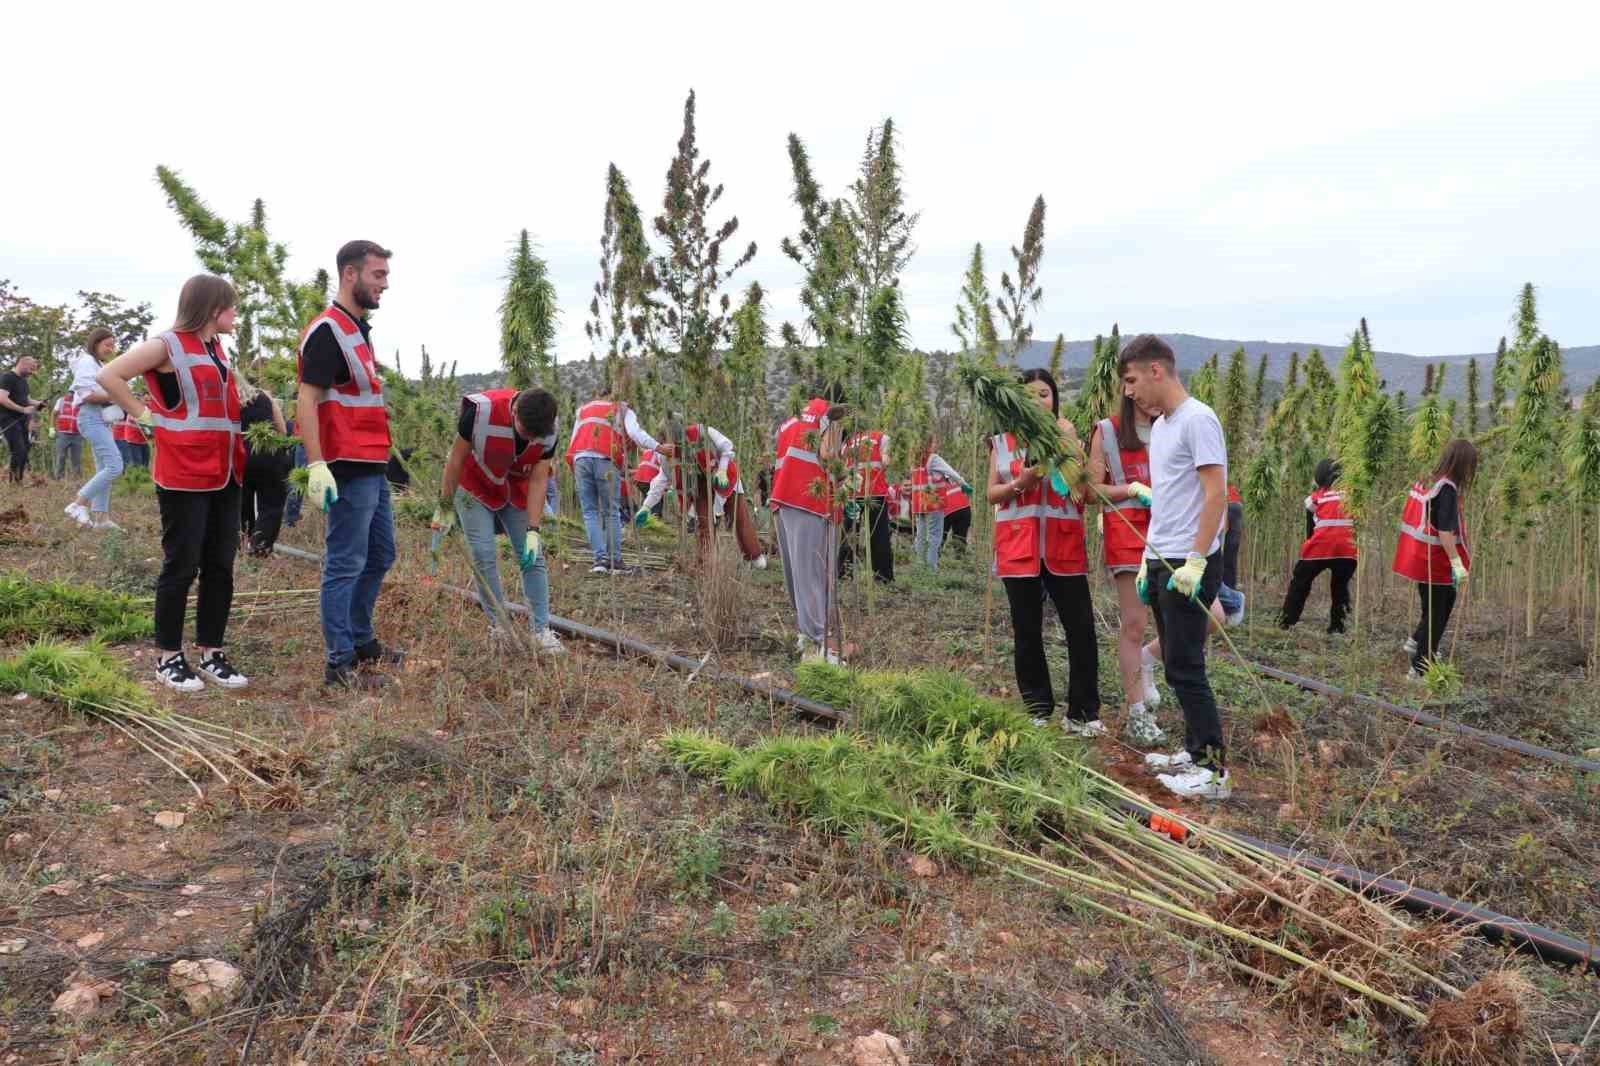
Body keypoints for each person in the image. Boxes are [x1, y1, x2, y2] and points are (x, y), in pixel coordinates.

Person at [96, 275, 250, 692]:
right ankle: (168, 657)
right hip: (184, 471)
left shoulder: (217, 349)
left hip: (225, 470)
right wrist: (142, 414)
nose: (235, 312)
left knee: (220, 564)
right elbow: (110, 375)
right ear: (211, 306)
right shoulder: (167, 344)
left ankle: (212, 653)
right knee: (181, 564)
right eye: (230, 305)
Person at [1121, 335, 1231, 800]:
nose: (1129, 392)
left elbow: (1216, 495)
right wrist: (1149, 563)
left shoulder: (1198, 420)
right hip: (1162, 557)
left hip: (1190, 561)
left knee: (1186, 666)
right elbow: (1170, 496)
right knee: (1175, 659)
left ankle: (1213, 771)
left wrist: (1197, 559)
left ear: (1156, 371)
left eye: (1131, 380)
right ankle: (1192, 749)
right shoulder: (1162, 426)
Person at [297, 240, 403, 690]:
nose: (384, 285)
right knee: (345, 561)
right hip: (345, 463)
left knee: (380, 554)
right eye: (377, 275)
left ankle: (361, 641)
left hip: (371, 462)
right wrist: (316, 463)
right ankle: (339, 661)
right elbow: (308, 398)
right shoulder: (328, 331)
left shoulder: (357, 329)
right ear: (350, 274)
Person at [987, 368, 1101, 734]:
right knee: (1027, 629)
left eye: (1045, 394)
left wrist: (1067, 444)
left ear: (1055, 399)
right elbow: (991, 493)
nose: (1039, 400)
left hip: (1063, 546)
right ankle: (1037, 708)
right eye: (1030, 395)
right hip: (1018, 547)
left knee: (1081, 629)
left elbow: (1083, 492)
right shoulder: (1002, 443)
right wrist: (1020, 483)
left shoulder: (1068, 436)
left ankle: (1083, 713)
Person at [434, 386, 565, 654]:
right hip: (474, 486)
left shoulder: (549, 430)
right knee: (483, 553)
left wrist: (533, 530)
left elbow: (540, 478)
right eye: (524, 431)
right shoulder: (479, 412)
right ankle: (500, 627)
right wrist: (445, 504)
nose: (529, 438)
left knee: (532, 555)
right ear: (514, 411)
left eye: (534, 435)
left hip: (515, 489)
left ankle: (540, 631)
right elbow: (456, 459)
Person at [1087, 392, 1166, 745]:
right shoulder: (1107, 431)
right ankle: (1137, 714)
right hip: (1128, 534)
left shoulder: (1173, 424)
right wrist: (1129, 488)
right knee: (1134, 624)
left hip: (1171, 533)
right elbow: (1090, 490)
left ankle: (1149, 660)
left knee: (1211, 614)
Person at [771, 386, 849, 661]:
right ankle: (820, 647)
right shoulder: (829, 414)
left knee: (798, 575)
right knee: (815, 573)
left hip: (783, 498)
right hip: (810, 500)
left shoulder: (790, 419)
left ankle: (807, 638)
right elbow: (828, 456)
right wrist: (846, 473)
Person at [1393, 438, 1477, 678]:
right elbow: (1444, 531)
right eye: (1471, 465)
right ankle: (1419, 669)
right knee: (1439, 611)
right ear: (1462, 464)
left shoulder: (1431, 481)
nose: (1472, 472)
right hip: (1437, 562)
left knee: (1432, 608)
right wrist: (1457, 564)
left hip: (1422, 561)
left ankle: (1416, 642)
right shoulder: (1447, 488)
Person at [565, 386, 665, 574]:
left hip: (580, 459)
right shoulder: (622, 408)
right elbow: (636, 434)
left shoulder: (583, 409)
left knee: (590, 512)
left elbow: (573, 441)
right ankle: (615, 560)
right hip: (605, 458)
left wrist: (575, 467)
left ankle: (599, 561)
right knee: (611, 511)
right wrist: (658, 447)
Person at [638, 420, 764, 564]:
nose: (670, 446)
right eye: (665, 442)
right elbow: (660, 482)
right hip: (699, 487)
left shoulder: (703, 432)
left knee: (738, 516)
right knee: (704, 524)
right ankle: (706, 561)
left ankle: (754, 556)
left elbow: (726, 447)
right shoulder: (666, 457)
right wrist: (646, 507)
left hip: (723, 476)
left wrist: (722, 470)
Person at [1279, 459, 1357, 634]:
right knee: (1340, 586)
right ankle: (1337, 626)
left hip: (1320, 548)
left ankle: (1287, 621)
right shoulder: (1353, 496)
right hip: (1348, 550)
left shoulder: (1315, 498)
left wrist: (1307, 551)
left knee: (1300, 580)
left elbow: (1310, 531)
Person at [63, 331, 127, 529]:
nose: (111, 349)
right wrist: (117, 396)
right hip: (90, 418)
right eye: (107, 345)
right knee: (115, 466)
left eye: (112, 345)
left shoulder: (101, 365)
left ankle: (101, 518)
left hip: (102, 419)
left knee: (104, 468)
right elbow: (87, 394)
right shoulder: (87, 362)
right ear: (95, 343)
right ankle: (77, 504)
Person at [238, 377, 293, 556]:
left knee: (241, 501)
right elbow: (282, 430)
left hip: (240, 454)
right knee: (271, 505)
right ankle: (260, 547)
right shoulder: (265, 397)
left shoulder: (226, 400)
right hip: (269, 453)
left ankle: (241, 542)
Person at [843, 427, 894, 584]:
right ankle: (883, 576)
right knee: (879, 535)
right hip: (876, 492)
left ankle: (844, 572)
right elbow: (886, 461)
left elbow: (844, 467)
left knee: (850, 533)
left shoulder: (849, 442)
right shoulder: (881, 437)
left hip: (853, 494)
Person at [911, 439, 965, 571]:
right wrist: (964, 483)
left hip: (919, 503)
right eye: (934, 442)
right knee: (935, 536)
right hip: (933, 502)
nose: (936, 444)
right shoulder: (933, 459)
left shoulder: (915, 461)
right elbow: (951, 472)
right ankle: (931, 567)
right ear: (928, 445)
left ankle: (919, 565)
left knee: (921, 535)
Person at [0, 356, 42, 484]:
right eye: (31, 369)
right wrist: (22, 410)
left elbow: (27, 400)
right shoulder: (7, 377)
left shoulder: (23, 381)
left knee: (26, 448)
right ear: (22, 364)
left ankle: (19, 480)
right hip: (8, 419)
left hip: (22, 420)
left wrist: (38, 403)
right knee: (18, 449)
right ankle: (13, 482)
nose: (32, 373)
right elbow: (2, 398)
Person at [1216, 483, 1245, 625]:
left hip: (1225, 505)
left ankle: (1229, 604)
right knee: (1228, 558)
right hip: (1230, 504)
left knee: (1219, 558)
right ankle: (1229, 603)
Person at [50, 394, 84, 480]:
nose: (72, 394)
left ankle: (77, 480)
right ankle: (59, 479)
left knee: (76, 459)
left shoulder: (81, 402)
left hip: (77, 434)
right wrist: (51, 428)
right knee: (61, 457)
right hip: (63, 434)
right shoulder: (61, 401)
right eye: (71, 392)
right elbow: (54, 414)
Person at [940, 476, 972, 557]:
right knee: (959, 539)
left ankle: (934, 561)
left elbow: (969, 491)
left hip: (958, 510)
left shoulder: (955, 478)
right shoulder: (957, 477)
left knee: (957, 539)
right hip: (961, 510)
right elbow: (969, 491)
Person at [632, 448, 664, 521]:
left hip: (639, 479)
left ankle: (643, 519)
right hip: (649, 479)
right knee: (656, 500)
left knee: (647, 499)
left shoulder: (648, 450)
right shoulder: (662, 452)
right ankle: (654, 521)